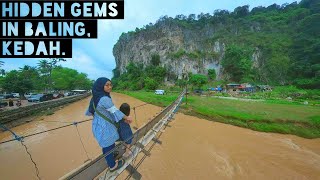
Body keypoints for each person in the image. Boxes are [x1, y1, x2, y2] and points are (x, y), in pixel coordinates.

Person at [85, 77, 133, 172]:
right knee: (109, 145)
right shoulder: (104, 99)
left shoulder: (95, 97)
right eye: (107, 85)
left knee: (106, 145)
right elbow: (115, 111)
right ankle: (112, 166)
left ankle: (110, 157)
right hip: (105, 126)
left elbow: (90, 112)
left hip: (97, 125)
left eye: (111, 85)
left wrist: (100, 116)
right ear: (100, 85)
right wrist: (127, 118)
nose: (110, 87)